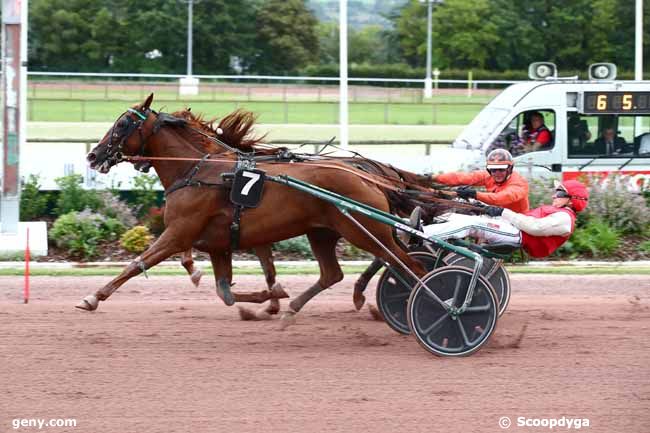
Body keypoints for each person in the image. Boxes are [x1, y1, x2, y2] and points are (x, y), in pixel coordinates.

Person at [420, 180, 589, 258]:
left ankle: (422, 235)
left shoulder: (565, 219)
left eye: (559, 193)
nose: (554, 195)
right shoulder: (559, 212)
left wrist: (503, 212)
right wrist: (473, 196)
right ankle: (418, 225)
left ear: (572, 200)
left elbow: (535, 228)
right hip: (512, 229)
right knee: (466, 209)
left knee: (472, 223)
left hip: (517, 235)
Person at [431, 148, 530, 213]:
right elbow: (462, 178)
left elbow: (499, 198)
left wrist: (474, 194)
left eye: (501, 169)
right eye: (493, 169)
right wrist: (433, 178)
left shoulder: (519, 183)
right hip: (497, 216)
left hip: (517, 222)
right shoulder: (489, 176)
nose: (497, 173)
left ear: (509, 169)